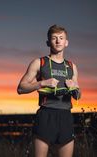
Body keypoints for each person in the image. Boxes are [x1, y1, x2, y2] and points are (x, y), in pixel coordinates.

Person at [17, 25, 81, 157]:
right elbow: (21, 88)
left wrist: (74, 88)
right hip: (46, 115)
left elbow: (78, 95)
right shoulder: (39, 62)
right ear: (48, 42)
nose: (58, 41)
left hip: (65, 117)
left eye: (61, 38)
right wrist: (42, 83)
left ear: (66, 42)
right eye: (54, 38)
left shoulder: (71, 66)